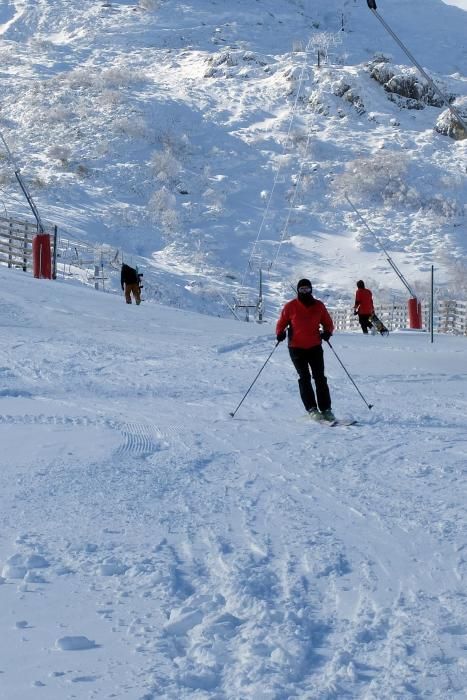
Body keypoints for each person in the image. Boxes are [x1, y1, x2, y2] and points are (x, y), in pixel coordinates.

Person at [276, 279, 335, 421]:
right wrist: (280, 333)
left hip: (314, 346)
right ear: (298, 291)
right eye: (302, 289)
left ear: (311, 290)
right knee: (304, 378)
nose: (305, 292)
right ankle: (312, 409)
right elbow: (281, 323)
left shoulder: (319, 306)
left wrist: (327, 332)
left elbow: (328, 323)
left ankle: (326, 409)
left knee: (320, 378)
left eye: (307, 289)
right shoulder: (290, 307)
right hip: (296, 348)